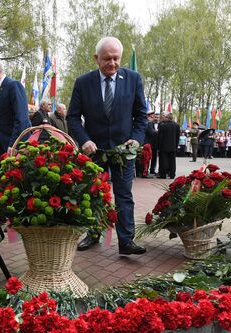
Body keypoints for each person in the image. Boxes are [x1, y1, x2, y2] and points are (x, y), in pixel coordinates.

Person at [67, 36, 147, 255]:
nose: (112, 63)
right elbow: (72, 117)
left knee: (124, 195)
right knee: (94, 194)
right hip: (95, 151)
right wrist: (85, 140)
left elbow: (141, 116)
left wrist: (136, 139)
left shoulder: (133, 79)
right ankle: (93, 234)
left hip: (123, 151)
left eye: (116, 58)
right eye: (107, 59)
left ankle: (126, 241)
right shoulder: (83, 82)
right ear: (96, 58)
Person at [157, 112, 180, 179]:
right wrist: (176, 145)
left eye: (165, 117)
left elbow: (160, 137)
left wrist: (159, 146)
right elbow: (177, 137)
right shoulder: (177, 125)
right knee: (172, 161)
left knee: (163, 161)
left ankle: (163, 174)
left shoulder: (162, 125)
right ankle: (172, 174)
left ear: (167, 118)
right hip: (173, 146)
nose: (164, 118)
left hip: (163, 146)